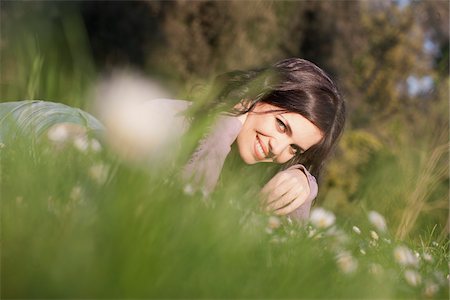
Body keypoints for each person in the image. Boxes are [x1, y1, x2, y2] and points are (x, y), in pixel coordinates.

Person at [0, 58, 345, 221]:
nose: (278, 149)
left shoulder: (263, 177)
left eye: (296, 149)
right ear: (258, 96)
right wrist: (222, 129)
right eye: (282, 126)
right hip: (47, 125)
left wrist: (304, 183)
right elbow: (181, 209)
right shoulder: (176, 120)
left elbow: (281, 259)